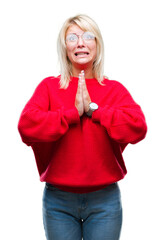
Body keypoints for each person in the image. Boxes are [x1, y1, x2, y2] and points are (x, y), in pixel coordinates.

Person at [18, 14, 147, 240]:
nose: (80, 43)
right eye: (72, 37)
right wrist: (72, 114)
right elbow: (26, 127)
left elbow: (138, 128)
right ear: (64, 47)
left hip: (105, 200)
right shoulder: (49, 87)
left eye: (88, 36)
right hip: (58, 200)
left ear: (97, 44)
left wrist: (94, 111)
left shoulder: (114, 89)